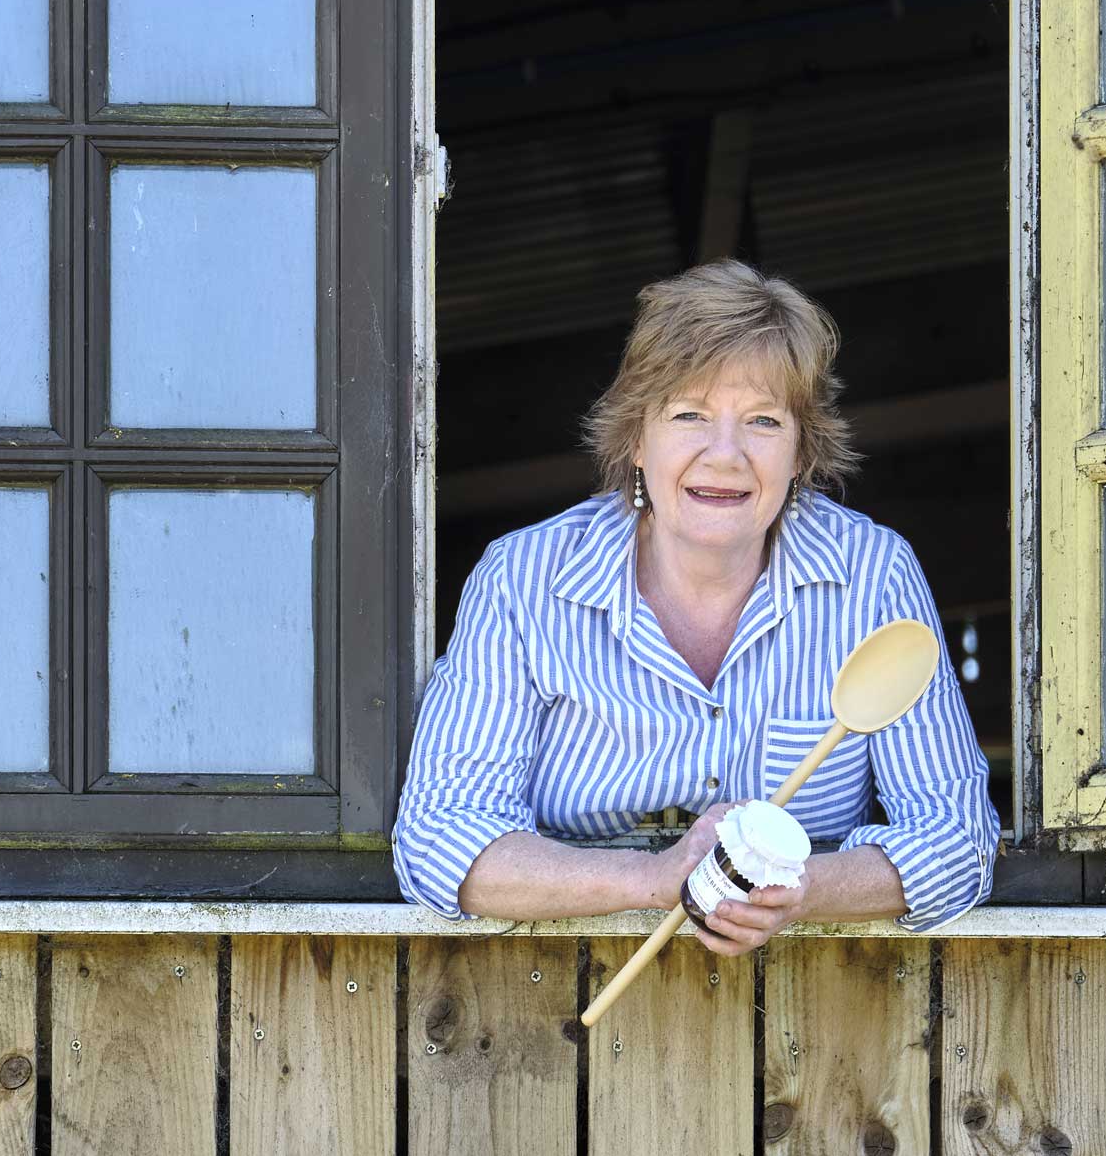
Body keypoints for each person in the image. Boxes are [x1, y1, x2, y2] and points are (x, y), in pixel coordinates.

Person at [393, 260, 999, 952]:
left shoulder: (873, 576)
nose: (726, 455)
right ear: (635, 440)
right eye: (690, 415)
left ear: (802, 452)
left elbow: (961, 843)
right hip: (554, 1006)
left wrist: (799, 891)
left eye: (764, 422)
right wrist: (657, 879)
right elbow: (438, 841)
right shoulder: (523, 580)